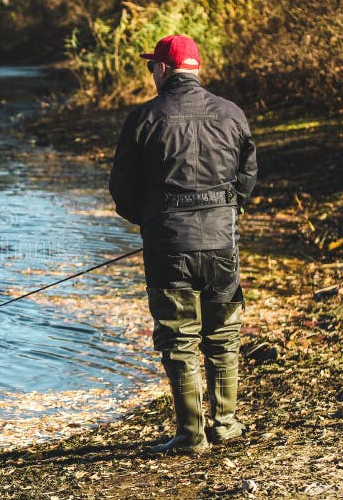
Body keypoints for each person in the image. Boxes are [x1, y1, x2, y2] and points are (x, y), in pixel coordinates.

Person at [109, 34, 257, 454]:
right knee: (223, 334)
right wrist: (228, 212)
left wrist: (153, 222)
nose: (151, 73)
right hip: (222, 243)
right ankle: (225, 424)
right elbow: (247, 177)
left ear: (161, 69)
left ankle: (192, 436)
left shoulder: (144, 118)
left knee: (178, 338)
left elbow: (121, 188)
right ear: (195, 68)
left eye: (151, 66)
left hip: (168, 244)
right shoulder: (232, 113)